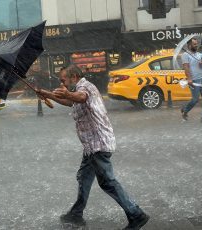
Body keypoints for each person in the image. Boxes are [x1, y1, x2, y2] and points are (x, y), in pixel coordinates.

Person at [36, 65, 149, 230]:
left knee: (107, 182)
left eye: (63, 80)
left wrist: (67, 93)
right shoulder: (77, 89)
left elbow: (81, 97)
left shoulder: (85, 87)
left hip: (99, 144)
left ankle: (136, 215)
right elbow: (70, 101)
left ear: (74, 76)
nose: (63, 83)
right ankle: (76, 213)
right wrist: (47, 94)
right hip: (91, 146)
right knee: (84, 177)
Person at [181, 37, 202, 123]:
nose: (196, 45)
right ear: (189, 45)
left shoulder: (199, 55)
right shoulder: (185, 55)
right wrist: (189, 79)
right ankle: (185, 110)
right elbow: (186, 67)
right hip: (194, 80)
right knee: (195, 99)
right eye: (194, 44)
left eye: (197, 44)